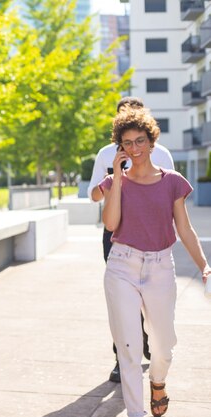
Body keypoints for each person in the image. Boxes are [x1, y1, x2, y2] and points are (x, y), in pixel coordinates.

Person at [99, 106, 211, 417]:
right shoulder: (113, 183)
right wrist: (118, 177)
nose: (134, 148)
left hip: (161, 266)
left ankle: (158, 381)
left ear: (151, 142)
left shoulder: (172, 181)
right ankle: (137, 413)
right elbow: (110, 225)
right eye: (127, 143)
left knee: (164, 345)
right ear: (120, 147)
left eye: (139, 141)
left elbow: (185, 229)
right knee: (130, 349)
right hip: (122, 266)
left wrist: (204, 265)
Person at [88, 96, 174, 383]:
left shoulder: (161, 153)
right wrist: (112, 178)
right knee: (121, 300)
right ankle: (121, 358)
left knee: (149, 300)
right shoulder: (105, 155)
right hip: (116, 235)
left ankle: (148, 344)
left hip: (152, 237)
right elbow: (93, 195)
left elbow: (171, 195)